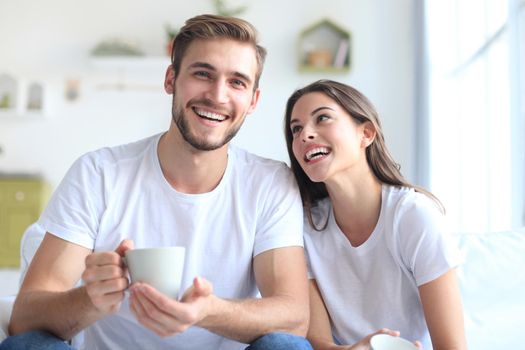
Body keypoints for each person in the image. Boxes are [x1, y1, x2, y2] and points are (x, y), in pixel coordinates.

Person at [1, 14, 312, 350]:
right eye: (202, 74)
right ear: (171, 79)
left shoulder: (270, 184)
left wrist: (207, 312)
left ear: (253, 101)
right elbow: (24, 318)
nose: (217, 95)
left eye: (237, 82)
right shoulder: (98, 173)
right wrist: (90, 298)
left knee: (287, 346)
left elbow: (294, 316)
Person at [283, 79, 467, 350]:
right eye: (296, 129)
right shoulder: (303, 226)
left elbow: (452, 346)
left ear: (366, 133)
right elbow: (319, 344)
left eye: (322, 118)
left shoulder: (413, 216)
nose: (304, 135)